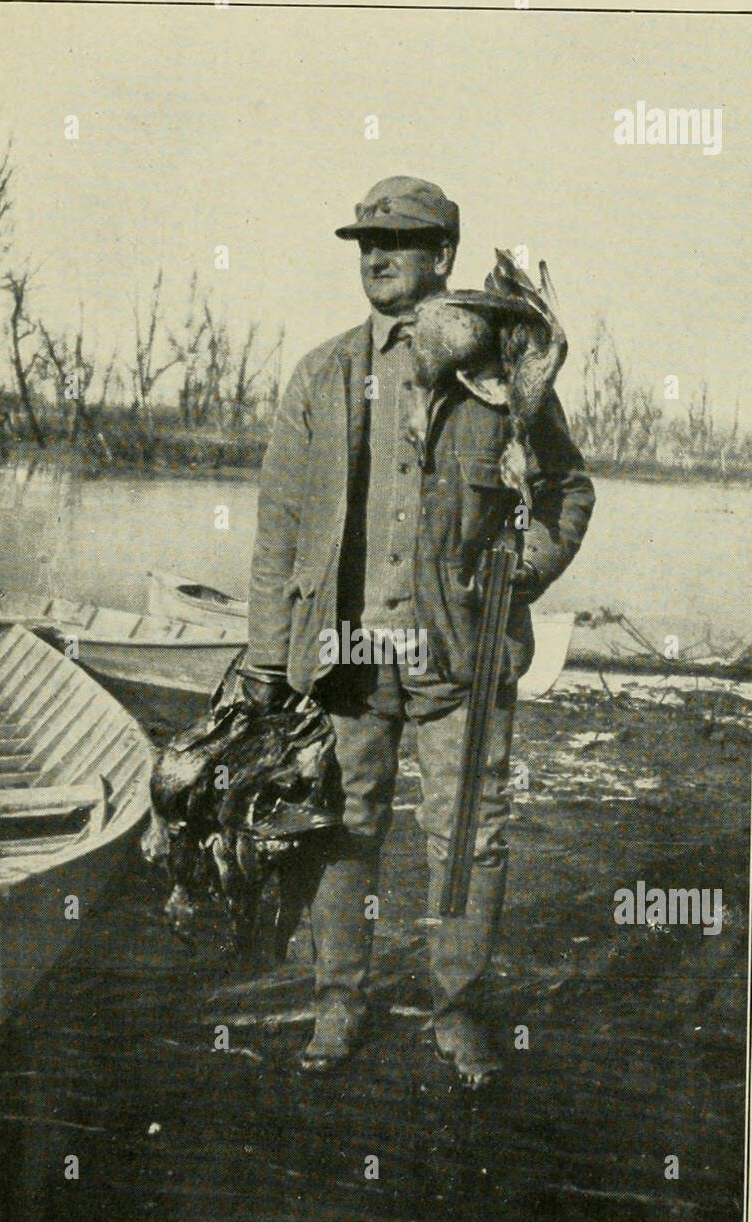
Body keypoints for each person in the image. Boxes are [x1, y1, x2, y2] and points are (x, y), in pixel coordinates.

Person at [239, 176, 595, 1086]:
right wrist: (268, 657)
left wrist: (518, 572)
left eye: (396, 241)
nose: (375, 255)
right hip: (344, 661)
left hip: (460, 663)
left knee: (468, 836)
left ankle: (456, 1009)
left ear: (443, 256)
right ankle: (336, 1002)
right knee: (338, 828)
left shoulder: (499, 378)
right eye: (364, 240)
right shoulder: (322, 373)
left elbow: (565, 492)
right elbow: (278, 525)